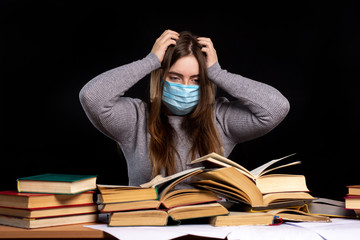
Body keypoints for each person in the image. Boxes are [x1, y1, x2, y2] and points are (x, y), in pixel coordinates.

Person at [79, 30, 290, 186]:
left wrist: (217, 73)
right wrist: (150, 61)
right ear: (161, 78)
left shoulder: (220, 118)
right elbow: (92, 97)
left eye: (196, 80)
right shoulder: (136, 118)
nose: (185, 87)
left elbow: (276, 108)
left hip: (208, 229)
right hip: (146, 227)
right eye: (175, 77)